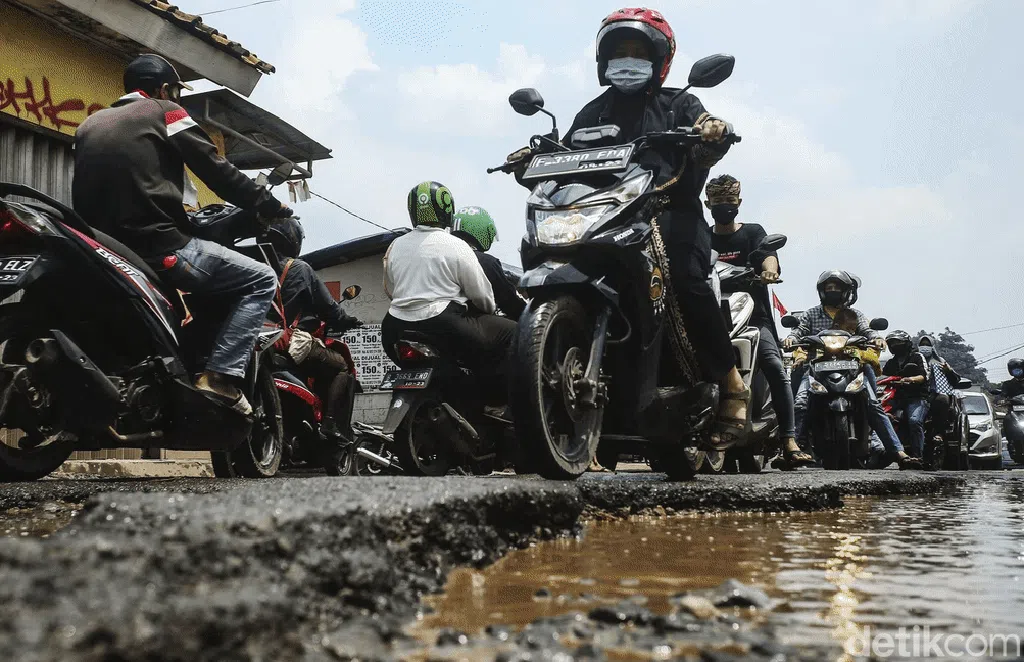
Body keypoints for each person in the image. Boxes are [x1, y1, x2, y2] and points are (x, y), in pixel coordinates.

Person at [510, 8, 746, 449]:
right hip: (602, 217)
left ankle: (731, 383)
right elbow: (563, 161)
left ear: (660, 60)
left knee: (684, 278)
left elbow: (706, 132)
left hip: (668, 214)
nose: (628, 59)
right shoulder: (590, 113)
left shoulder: (680, 103)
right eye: (620, 51)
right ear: (603, 59)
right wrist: (531, 157)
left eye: (639, 52)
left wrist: (713, 131)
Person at [72, 54, 292, 415]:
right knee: (261, 279)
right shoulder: (165, 111)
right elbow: (216, 169)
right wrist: (267, 204)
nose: (177, 99)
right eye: (175, 92)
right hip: (154, 242)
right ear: (162, 89)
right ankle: (219, 377)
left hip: (99, 246)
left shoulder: (90, 123)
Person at [706, 175, 810, 467]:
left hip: (753, 316)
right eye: (718, 202)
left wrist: (769, 271)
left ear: (739, 203)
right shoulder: (703, 235)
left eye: (729, 201)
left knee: (775, 366)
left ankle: (789, 439)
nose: (724, 206)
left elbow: (768, 255)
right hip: (711, 314)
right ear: (707, 204)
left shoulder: (752, 232)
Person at [381, 182, 516, 388]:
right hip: (441, 323)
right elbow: (482, 296)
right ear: (447, 211)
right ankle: (499, 395)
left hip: (393, 328)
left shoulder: (395, 245)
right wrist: (486, 312)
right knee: (514, 332)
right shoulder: (456, 245)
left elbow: (390, 288)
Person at [783, 271, 922, 469]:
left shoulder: (855, 315)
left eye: (836, 288)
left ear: (846, 291)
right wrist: (792, 338)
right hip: (817, 368)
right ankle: (793, 449)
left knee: (873, 404)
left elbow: (868, 330)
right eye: (828, 288)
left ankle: (898, 452)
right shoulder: (811, 314)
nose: (832, 291)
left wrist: (876, 338)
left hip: (851, 367)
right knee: (800, 403)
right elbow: (799, 331)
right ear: (822, 292)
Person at [262, 217, 363, 441]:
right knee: (342, 367)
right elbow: (330, 309)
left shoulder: (256, 267)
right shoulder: (300, 269)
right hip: (287, 343)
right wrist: (347, 320)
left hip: (257, 341)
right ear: (293, 240)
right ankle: (333, 425)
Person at [451, 207, 526, 320]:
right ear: (482, 230)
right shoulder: (487, 262)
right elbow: (509, 302)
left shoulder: (442, 255)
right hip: (466, 323)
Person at [882, 331, 930, 459]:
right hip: (896, 398)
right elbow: (883, 377)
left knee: (914, 421)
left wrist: (910, 379)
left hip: (916, 397)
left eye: (898, 342)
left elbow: (924, 376)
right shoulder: (890, 363)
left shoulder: (917, 357)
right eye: (892, 343)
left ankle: (917, 456)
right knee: (880, 418)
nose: (895, 345)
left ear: (907, 344)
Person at [917, 335, 961, 445]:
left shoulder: (940, 362)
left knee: (943, 399)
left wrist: (948, 371)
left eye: (928, 345)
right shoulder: (914, 359)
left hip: (935, 395)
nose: (925, 347)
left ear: (933, 347)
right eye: (922, 345)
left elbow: (955, 381)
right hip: (916, 395)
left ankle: (939, 432)